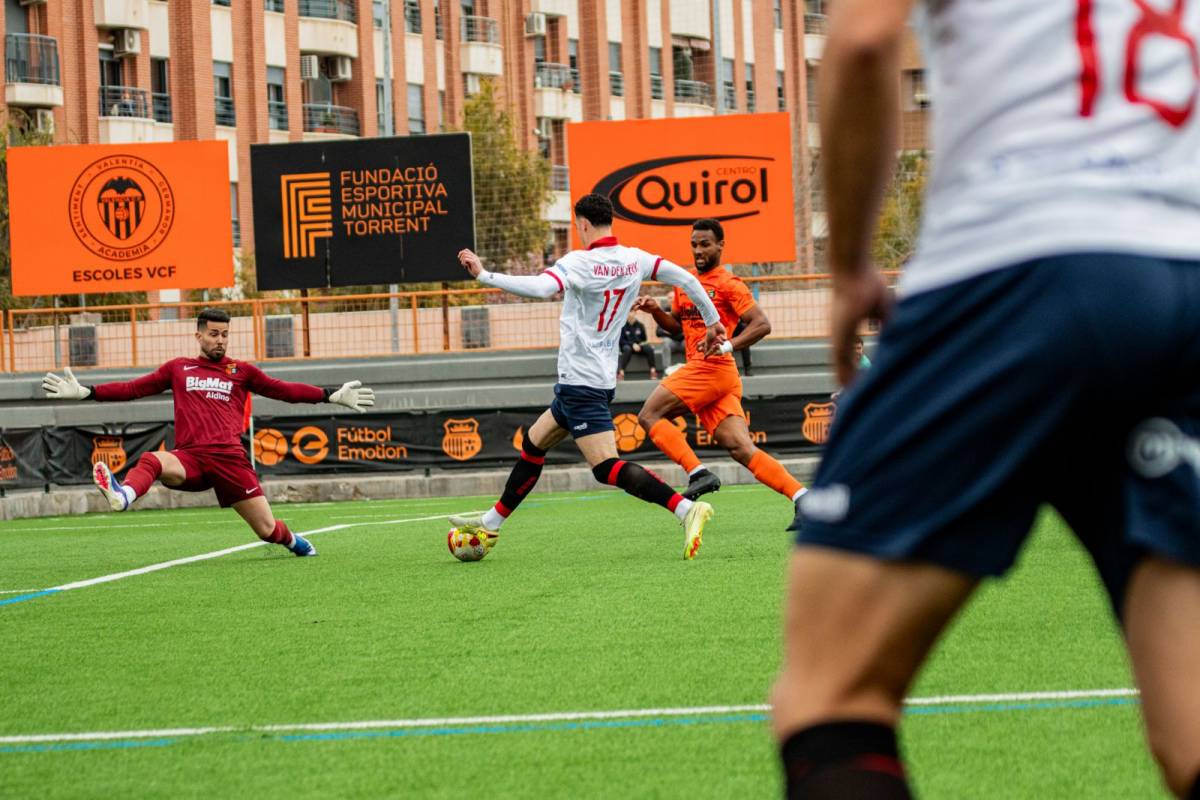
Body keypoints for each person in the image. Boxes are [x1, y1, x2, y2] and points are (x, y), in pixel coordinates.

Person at [772, 1, 1200, 798]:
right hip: (1185, 275)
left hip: (1014, 265)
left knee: (831, 695)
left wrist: (851, 270)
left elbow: (864, 43)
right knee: (1193, 735)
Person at [448, 193, 727, 559]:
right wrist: (714, 322)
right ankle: (491, 523)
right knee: (534, 444)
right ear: (609, 220)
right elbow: (689, 281)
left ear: (582, 223)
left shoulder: (580, 262)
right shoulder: (635, 259)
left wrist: (485, 276)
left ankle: (686, 509)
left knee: (605, 467)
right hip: (586, 381)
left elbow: (542, 288)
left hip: (582, 383)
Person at [40, 308, 376, 557]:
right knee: (151, 460)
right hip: (190, 459)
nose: (220, 340)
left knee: (266, 530)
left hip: (230, 459)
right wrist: (89, 392)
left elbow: (283, 389)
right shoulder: (178, 368)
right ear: (198, 335)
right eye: (214, 334)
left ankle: (293, 541)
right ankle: (123, 495)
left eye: (225, 334)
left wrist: (329, 394)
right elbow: (132, 388)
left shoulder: (240, 371)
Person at [634, 218, 807, 511]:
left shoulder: (729, 284)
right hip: (713, 375)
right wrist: (655, 312)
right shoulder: (685, 282)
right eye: (694, 245)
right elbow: (677, 326)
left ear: (720, 246)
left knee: (649, 415)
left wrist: (728, 345)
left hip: (711, 368)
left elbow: (762, 324)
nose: (698, 250)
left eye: (705, 244)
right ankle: (803, 498)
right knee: (741, 448)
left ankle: (697, 472)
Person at [617, 311, 658, 380]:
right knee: (627, 349)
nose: (630, 314)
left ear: (635, 313)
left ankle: (653, 371)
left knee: (649, 348)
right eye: (629, 312)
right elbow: (621, 341)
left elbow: (644, 340)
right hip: (627, 346)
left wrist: (639, 345)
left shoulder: (640, 325)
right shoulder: (623, 326)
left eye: (632, 312)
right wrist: (632, 344)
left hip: (639, 347)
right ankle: (621, 373)